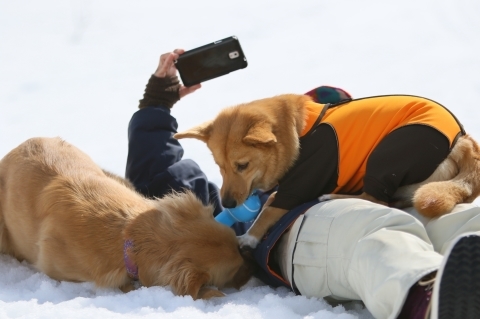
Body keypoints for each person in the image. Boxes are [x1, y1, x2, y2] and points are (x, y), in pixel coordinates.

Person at [125, 49, 480, 319]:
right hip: (299, 228)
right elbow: (157, 170)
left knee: (454, 219)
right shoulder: (227, 201)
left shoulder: (352, 154)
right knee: (369, 228)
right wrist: (159, 100)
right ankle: (430, 299)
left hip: (386, 195)